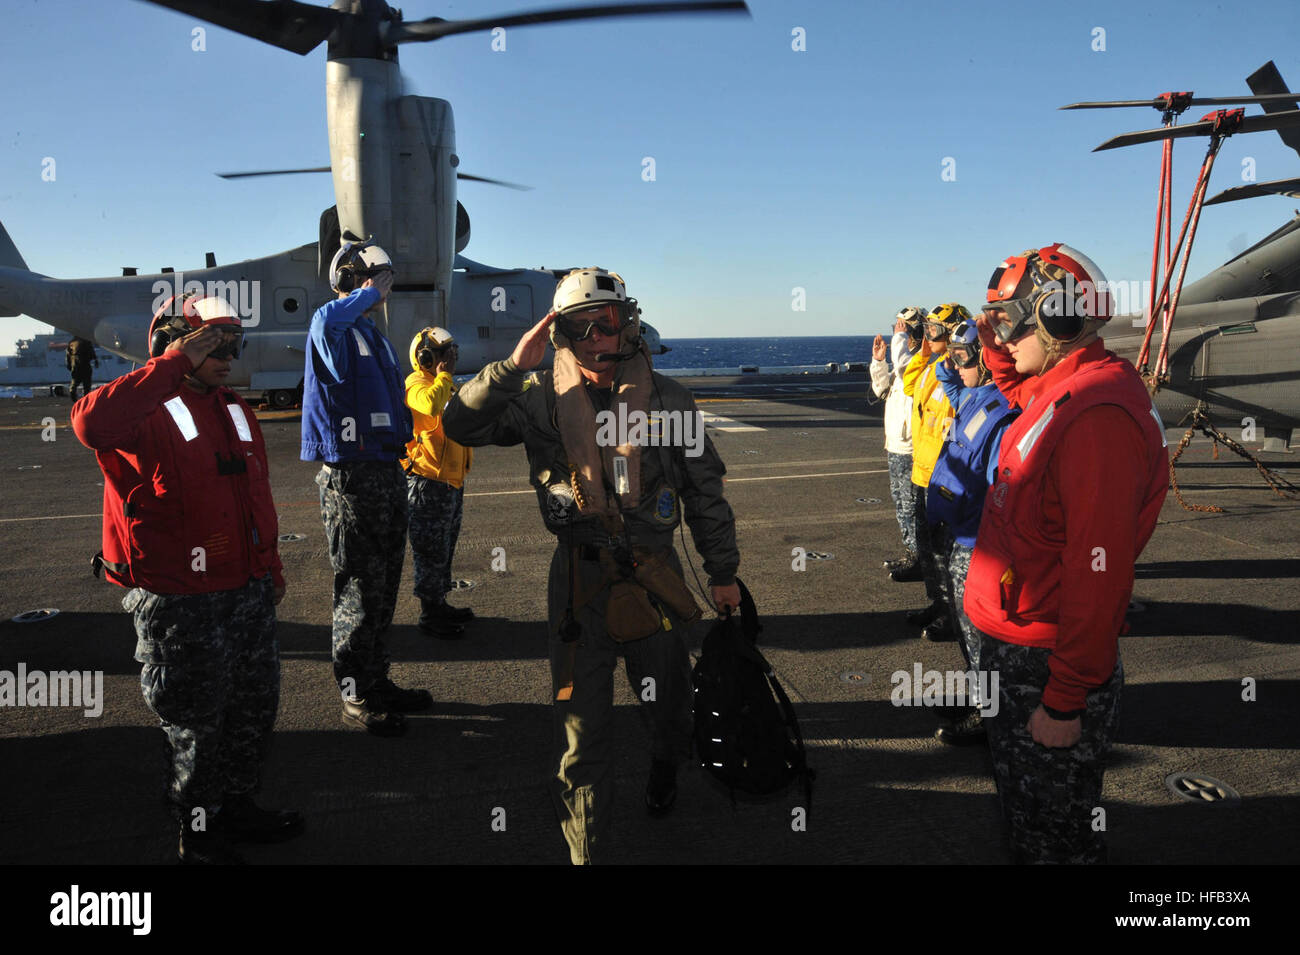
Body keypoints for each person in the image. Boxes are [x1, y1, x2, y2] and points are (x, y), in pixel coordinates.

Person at [443, 268, 741, 865]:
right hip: (579, 582)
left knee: (669, 703)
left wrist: (723, 572)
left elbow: (705, 491)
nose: (599, 338)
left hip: (657, 578)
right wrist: (509, 367)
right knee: (580, 732)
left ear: (629, 324)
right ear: (560, 335)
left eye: (609, 322)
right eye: (582, 327)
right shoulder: (537, 401)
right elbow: (460, 424)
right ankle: (588, 850)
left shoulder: (668, 400)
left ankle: (665, 763)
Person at [71, 293, 301, 864]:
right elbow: (91, 423)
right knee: (195, 722)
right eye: (213, 345)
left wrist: (268, 565)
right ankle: (199, 833)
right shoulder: (145, 406)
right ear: (173, 344)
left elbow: (254, 495)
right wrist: (171, 362)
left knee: (252, 708)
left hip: (244, 588)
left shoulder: (234, 407)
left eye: (233, 344)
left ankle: (238, 807)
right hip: (181, 599)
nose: (228, 356)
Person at [967, 243, 1169, 863]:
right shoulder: (1063, 392)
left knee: (1052, 839)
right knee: (1029, 822)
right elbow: (1020, 400)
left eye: (1009, 318)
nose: (1000, 331)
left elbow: (1098, 573)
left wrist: (1064, 698)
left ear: (1053, 319)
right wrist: (997, 347)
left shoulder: (1095, 417)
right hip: (1018, 651)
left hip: (1045, 666)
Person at [301, 238, 427, 737]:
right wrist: (364, 294)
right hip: (351, 476)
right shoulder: (331, 322)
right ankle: (354, 692)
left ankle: (376, 678)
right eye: (378, 280)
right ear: (352, 279)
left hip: (384, 470)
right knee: (357, 584)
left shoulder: (371, 335)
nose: (385, 291)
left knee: (383, 582)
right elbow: (330, 322)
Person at [926, 321, 1018, 744]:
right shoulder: (973, 398)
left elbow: (1006, 489)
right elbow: (949, 379)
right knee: (967, 637)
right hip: (956, 534)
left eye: (964, 357)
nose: (955, 365)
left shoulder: (1002, 414)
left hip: (977, 543)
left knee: (983, 642)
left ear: (984, 359)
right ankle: (983, 700)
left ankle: (992, 717)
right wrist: (950, 354)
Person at [901, 303, 968, 640]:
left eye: (936, 330)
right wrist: (923, 353)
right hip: (921, 471)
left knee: (947, 552)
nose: (930, 334)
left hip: (943, 476)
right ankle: (937, 602)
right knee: (928, 550)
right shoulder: (933, 368)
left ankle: (954, 615)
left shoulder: (960, 372)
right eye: (928, 329)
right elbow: (909, 385)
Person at [403, 326, 474, 638]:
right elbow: (430, 406)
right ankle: (429, 614)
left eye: (451, 353)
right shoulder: (416, 384)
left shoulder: (445, 385)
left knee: (445, 547)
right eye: (443, 355)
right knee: (430, 551)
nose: (449, 360)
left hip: (450, 483)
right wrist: (445, 377)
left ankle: (440, 602)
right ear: (425, 357)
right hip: (428, 482)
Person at [870, 306, 925, 582]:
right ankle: (911, 554)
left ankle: (919, 559)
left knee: (911, 505)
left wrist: (900, 340)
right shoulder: (905, 363)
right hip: (895, 445)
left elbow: (903, 368)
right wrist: (879, 362)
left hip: (910, 448)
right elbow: (881, 389)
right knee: (901, 503)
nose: (897, 332)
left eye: (902, 328)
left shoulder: (919, 363)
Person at [66, 336, 99, 401]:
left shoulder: (72, 343)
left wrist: (69, 365)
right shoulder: (87, 342)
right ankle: (85, 400)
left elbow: (68, 356)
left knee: (74, 384)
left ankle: (75, 399)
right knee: (86, 386)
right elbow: (92, 354)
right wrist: (95, 360)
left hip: (75, 366)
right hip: (85, 366)